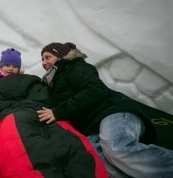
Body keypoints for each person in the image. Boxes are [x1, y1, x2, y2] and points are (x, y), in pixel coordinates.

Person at [36, 42, 173, 178]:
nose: (44, 62)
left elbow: (94, 90)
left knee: (115, 147)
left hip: (112, 111)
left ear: (61, 56)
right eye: (42, 59)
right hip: (92, 127)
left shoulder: (76, 67)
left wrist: (58, 112)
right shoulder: (52, 85)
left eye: (48, 57)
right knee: (94, 159)